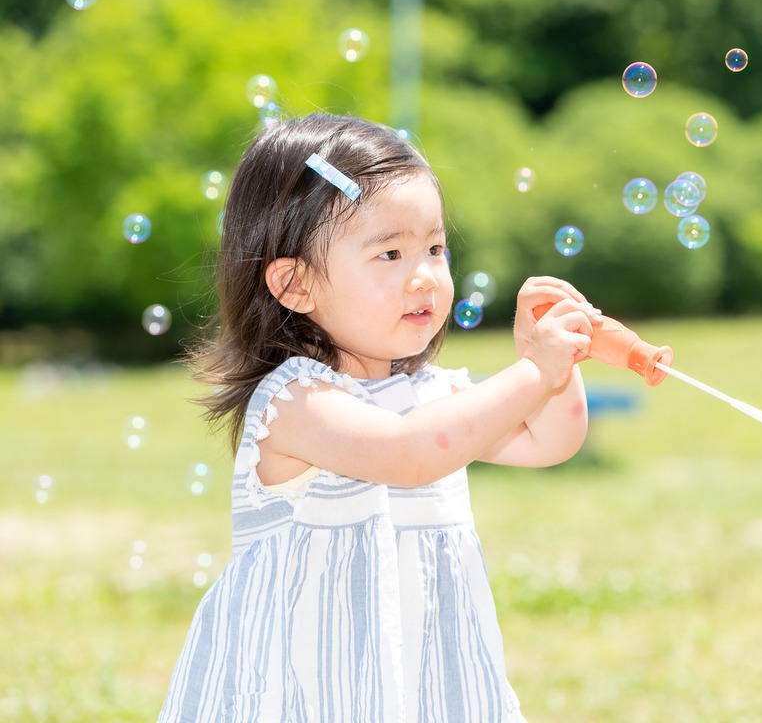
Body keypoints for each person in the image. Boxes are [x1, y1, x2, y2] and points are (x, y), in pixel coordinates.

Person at [159, 112, 602, 722]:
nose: (424, 276)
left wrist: (549, 362)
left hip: (420, 677)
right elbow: (409, 455)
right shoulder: (296, 402)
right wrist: (534, 374)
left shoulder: (431, 395)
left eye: (436, 248)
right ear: (295, 284)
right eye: (390, 252)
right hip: (310, 686)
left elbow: (552, 439)